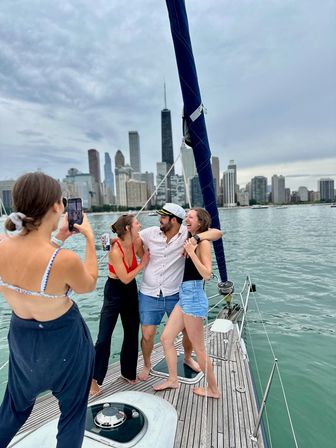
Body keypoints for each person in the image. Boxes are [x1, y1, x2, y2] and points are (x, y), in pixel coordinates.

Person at [0, 172, 98, 448]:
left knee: (14, 409)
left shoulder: (1, 246)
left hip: (22, 339)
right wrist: (89, 238)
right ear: (57, 206)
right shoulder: (63, 261)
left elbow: (31, 268)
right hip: (64, 342)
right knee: (72, 415)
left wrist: (58, 238)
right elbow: (88, 284)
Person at [137, 203, 223, 381]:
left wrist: (195, 240)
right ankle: (147, 365)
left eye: (163, 217)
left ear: (173, 220)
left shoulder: (187, 233)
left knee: (187, 334)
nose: (159, 220)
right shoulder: (150, 233)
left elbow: (217, 233)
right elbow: (132, 238)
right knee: (147, 334)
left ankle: (187, 358)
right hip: (149, 293)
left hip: (176, 293)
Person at [90, 214, 149, 397]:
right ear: (127, 228)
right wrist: (142, 264)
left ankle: (128, 372)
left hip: (130, 291)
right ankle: (93, 380)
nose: (139, 225)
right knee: (104, 337)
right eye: (136, 223)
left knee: (132, 332)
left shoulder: (137, 241)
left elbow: (145, 255)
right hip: (115, 290)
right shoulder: (115, 251)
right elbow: (125, 277)